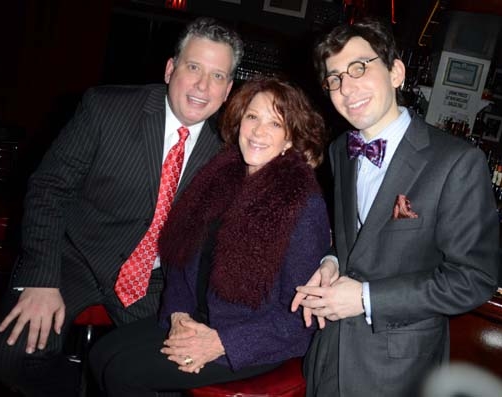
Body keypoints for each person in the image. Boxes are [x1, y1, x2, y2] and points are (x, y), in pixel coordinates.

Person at [0, 17, 243, 396]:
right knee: (11, 351)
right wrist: (42, 277)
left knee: (172, 371)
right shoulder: (106, 108)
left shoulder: (230, 151)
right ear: (171, 69)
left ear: (229, 89)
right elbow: (48, 189)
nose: (203, 86)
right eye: (193, 68)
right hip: (77, 258)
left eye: (217, 76)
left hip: (159, 280)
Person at [291, 17, 499, 397]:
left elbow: (474, 279)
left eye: (359, 68)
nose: (346, 87)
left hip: (396, 372)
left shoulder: (456, 161)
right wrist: (331, 262)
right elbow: (354, 242)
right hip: (329, 355)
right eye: (334, 78)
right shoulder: (341, 150)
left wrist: (365, 298)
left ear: (396, 72)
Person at [89, 77, 330, 396]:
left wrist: (220, 344)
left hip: (252, 339)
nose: (258, 131)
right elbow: (180, 260)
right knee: (100, 355)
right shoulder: (219, 176)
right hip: (197, 318)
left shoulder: (302, 202)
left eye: (275, 123)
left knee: (125, 373)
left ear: (290, 139)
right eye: (252, 117)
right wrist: (177, 316)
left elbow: (301, 317)